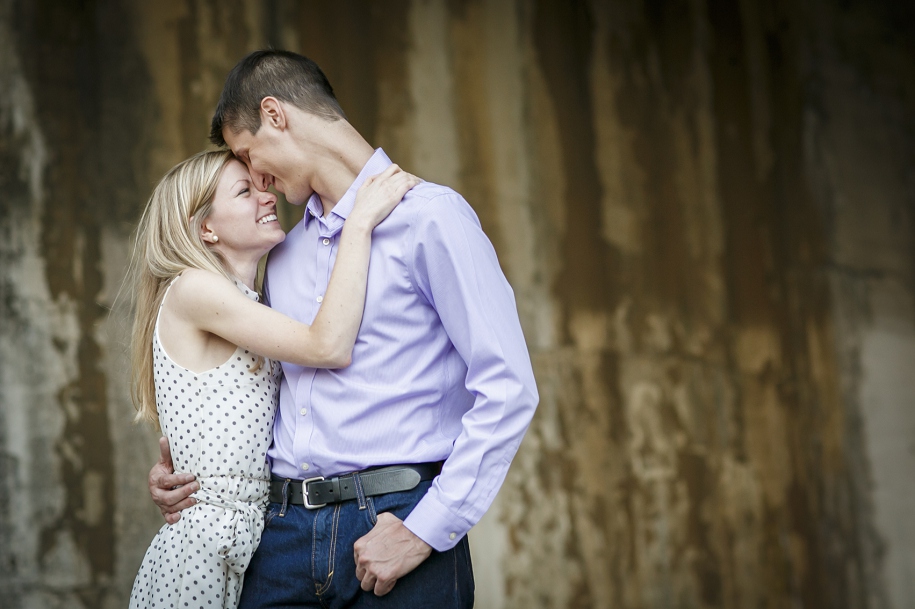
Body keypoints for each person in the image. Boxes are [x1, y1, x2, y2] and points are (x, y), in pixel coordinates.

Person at [149, 49, 539, 609]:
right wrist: (192, 470)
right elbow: (256, 389)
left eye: (246, 152)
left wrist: (426, 529)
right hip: (276, 539)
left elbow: (508, 388)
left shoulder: (431, 218)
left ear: (276, 115)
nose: (255, 177)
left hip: (395, 520)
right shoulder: (279, 254)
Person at [128, 148, 418, 609]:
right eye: (245, 191)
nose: (267, 197)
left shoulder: (252, 303)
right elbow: (328, 347)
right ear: (206, 228)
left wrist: (177, 468)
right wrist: (358, 224)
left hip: (247, 549)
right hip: (201, 558)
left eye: (261, 186)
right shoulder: (195, 289)